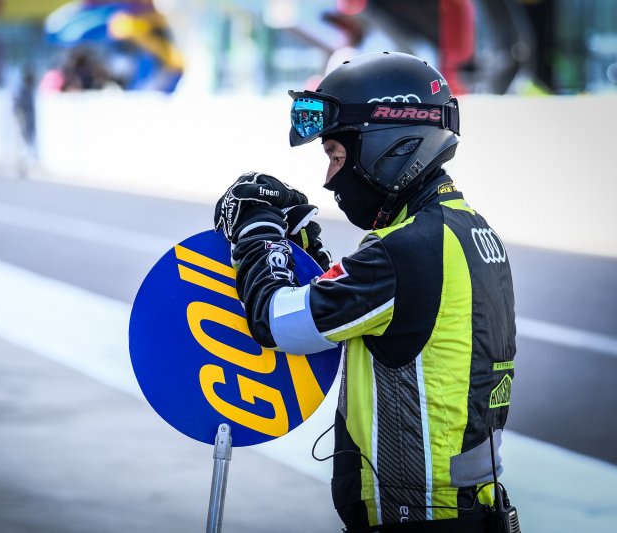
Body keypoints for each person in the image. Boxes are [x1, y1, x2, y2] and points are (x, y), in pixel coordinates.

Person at [214, 52, 518, 532]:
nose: (329, 178)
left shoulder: (406, 249)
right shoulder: (464, 230)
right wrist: (306, 251)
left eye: (336, 156)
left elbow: (278, 322)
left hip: (420, 516)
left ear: (387, 146)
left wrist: (256, 232)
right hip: (468, 511)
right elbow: (372, 310)